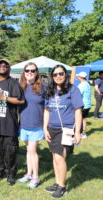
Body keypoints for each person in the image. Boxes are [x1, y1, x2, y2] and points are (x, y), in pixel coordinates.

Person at [44, 65, 83, 199]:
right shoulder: (50, 90)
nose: (58, 76)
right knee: (55, 157)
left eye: (61, 73)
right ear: (52, 77)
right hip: (52, 129)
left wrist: (77, 131)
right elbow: (47, 111)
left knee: (60, 157)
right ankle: (57, 182)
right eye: (55, 74)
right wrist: (45, 128)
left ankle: (62, 187)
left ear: (65, 75)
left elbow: (78, 111)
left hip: (66, 129)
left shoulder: (73, 89)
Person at [0, 59, 25, 186]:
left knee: (10, 152)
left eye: (5, 65)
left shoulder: (13, 83)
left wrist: (4, 98)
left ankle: (11, 174)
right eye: (0, 65)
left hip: (9, 124)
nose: (2, 67)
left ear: (9, 67)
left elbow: (20, 101)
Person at [18, 62, 45, 189]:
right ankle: (29, 173)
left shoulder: (42, 87)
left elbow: (49, 106)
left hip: (36, 125)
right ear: (24, 72)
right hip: (23, 124)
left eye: (33, 71)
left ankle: (36, 177)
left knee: (33, 151)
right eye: (27, 70)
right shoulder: (20, 87)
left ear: (37, 73)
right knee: (28, 150)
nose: (30, 72)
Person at [76, 72, 91, 138]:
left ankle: (78, 133)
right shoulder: (88, 84)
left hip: (82, 105)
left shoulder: (81, 85)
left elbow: (77, 95)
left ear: (80, 77)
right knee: (83, 119)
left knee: (78, 120)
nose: (77, 77)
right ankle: (83, 134)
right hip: (87, 105)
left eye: (78, 76)